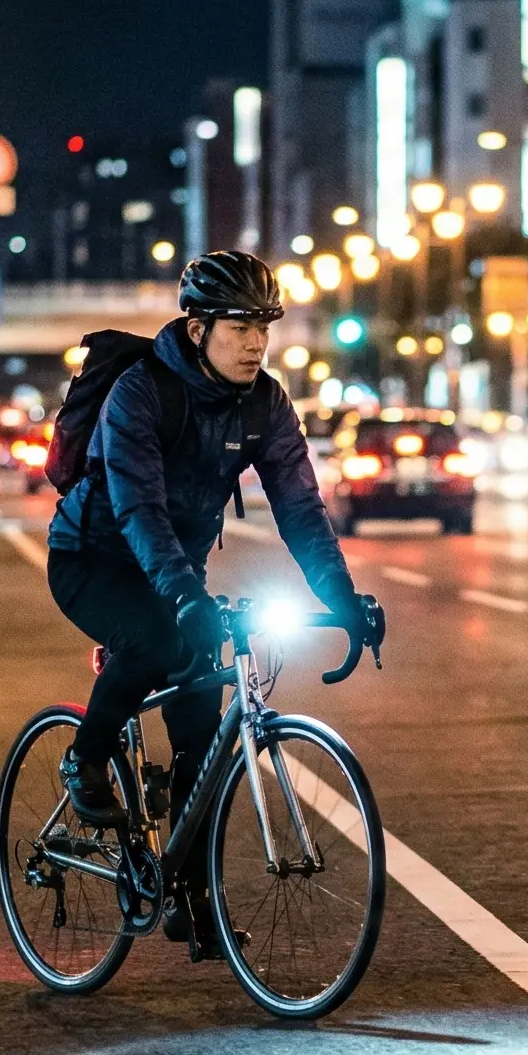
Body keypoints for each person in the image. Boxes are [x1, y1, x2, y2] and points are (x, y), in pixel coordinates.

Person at [45, 251, 378, 842]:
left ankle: (190, 888)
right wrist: (183, 598)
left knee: (200, 738)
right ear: (198, 330)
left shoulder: (265, 403)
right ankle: (85, 759)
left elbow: (300, 507)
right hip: (92, 558)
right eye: (240, 328)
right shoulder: (141, 392)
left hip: (177, 570)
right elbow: (140, 510)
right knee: (153, 639)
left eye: (263, 328)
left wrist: (340, 596)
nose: (256, 344)